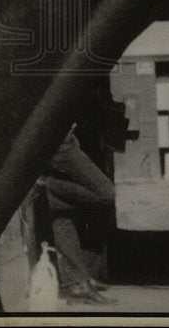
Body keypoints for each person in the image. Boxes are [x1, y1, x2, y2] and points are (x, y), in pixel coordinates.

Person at [39, 128, 117, 306]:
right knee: (106, 194)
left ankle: (78, 284)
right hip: (61, 141)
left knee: (63, 215)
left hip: (65, 138)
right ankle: (49, 186)